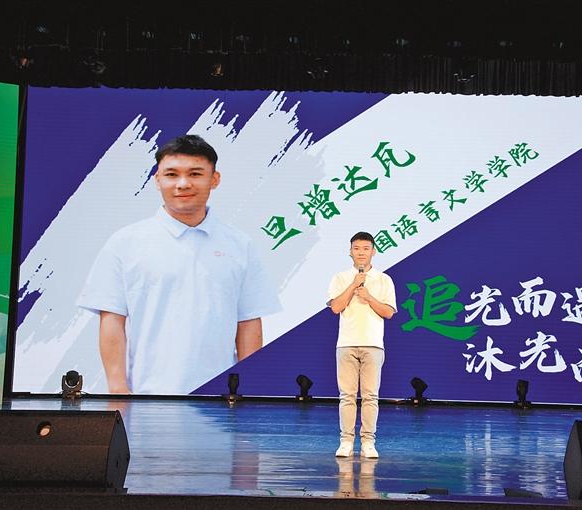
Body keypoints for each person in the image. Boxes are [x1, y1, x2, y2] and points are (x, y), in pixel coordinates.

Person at [77, 134, 279, 394]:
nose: (183, 184)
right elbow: (112, 319)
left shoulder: (240, 245)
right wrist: (118, 389)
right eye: (172, 175)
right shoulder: (125, 243)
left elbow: (248, 322)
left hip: (221, 399)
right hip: (147, 396)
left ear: (214, 179)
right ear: (157, 180)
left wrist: (247, 388)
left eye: (195, 174)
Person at [327, 232, 396, 458]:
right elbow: (336, 307)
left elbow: (388, 312)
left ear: (373, 251)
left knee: (370, 396)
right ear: (350, 252)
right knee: (347, 396)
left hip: (373, 344)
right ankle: (346, 441)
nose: (361, 253)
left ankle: (368, 442)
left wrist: (369, 297)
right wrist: (353, 285)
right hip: (346, 343)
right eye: (356, 248)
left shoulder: (384, 280)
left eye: (366, 248)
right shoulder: (340, 277)